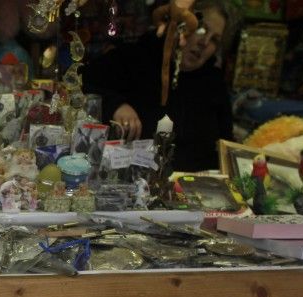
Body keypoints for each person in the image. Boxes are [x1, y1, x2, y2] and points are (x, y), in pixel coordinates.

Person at [82, 0, 236, 171]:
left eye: (214, 39)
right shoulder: (135, 58)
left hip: (196, 188)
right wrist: (116, 105)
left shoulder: (214, 84)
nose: (205, 42)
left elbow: (227, 146)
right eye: (201, 29)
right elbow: (83, 83)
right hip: (131, 180)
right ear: (179, 24)